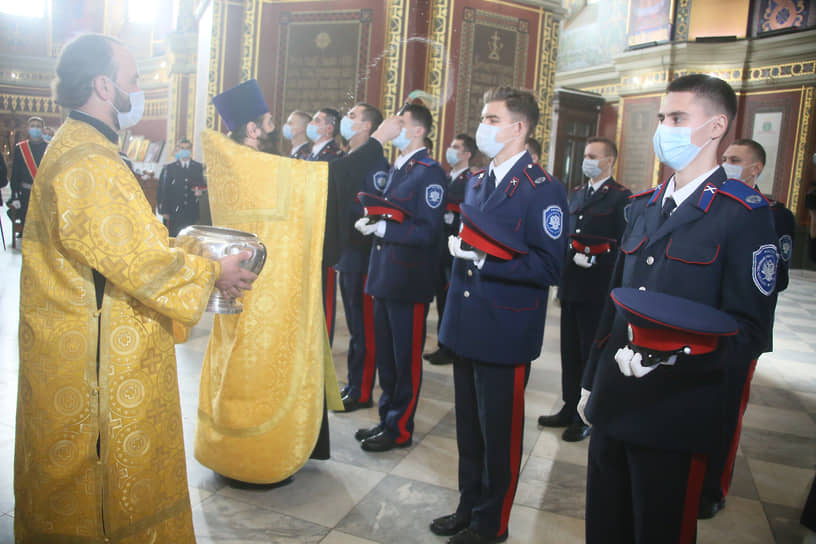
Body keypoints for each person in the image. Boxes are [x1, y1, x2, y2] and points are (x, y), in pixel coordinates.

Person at [14, 33, 256, 543]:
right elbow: (137, 262)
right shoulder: (89, 163)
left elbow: (133, 240)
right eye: (132, 80)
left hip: (81, 342)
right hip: (94, 363)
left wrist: (197, 255)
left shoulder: (88, 149)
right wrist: (214, 273)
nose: (138, 90)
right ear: (104, 86)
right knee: (99, 481)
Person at [580, 75, 778, 544]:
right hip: (614, 397)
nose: (664, 127)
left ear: (716, 126)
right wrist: (590, 381)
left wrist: (672, 355)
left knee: (659, 529)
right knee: (605, 526)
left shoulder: (743, 214)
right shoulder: (642, 205)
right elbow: (614, 308)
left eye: (678, 118)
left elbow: (750, 331)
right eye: (663, 118)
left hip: (677, 408)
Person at [430, 86, 568, 544]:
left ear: (518, 128)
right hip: (467, 323)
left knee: (499, 436)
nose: (482, 127)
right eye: (483, 117)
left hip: (505, 329)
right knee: (469, 430)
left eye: (491, 119)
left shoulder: (541, 190)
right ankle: (468, 506)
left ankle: (492, 523)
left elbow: (550, 266)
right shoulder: (477, 179)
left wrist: (487, 262)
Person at [695, 138, 795, 518]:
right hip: (704, 323)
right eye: (723, 159)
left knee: (726, 411)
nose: (727, 165)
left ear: (755, 168)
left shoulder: (773, 214)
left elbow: (774, 276)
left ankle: (714, 488)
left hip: (740, 327)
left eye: (735, 160)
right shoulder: (713, 205)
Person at [352, 103, 447, 452]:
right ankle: (385, 419)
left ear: (418, 130)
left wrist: (383, 229)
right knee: (388, 359)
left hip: (408, 280)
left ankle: (400, 427)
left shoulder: (429, 172)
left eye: (401, 123)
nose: (394, 126)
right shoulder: (399, 167)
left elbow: (427, 230)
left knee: (405, 359)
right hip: (385, 276)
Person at [538, 137, 630, 442]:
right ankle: (568, 405)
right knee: (570, 352)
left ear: (609, 161)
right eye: (586, 155)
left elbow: (624, 245)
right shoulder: (575, 193)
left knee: (591, 352)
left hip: (598, 287)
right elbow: (565, 231)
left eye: (593, 156)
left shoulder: (620, 198)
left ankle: (586, 414)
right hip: (572, 284)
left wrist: (596, 257)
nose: (586, 160)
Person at [334, 103, 388, 411]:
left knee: (364, 329)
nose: (347, 119)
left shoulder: (374, 163)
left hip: (363, 255)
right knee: (355, 327)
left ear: (367, 127)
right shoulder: (349, 158)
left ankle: (363, 389)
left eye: (353, 116)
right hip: (347, 253)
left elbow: (372, 207)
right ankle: (354, 383)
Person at [425, 133, 475, 366]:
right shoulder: (444, 177)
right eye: (450, 145)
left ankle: (450, 347)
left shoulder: (470, 180)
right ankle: (442, 343)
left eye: (456, 147)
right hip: (437, 246)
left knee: (450, 299)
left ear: (467, 154)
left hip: (454, 248)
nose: (450, 150)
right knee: (440, 298)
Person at [307, 107, 345, 347]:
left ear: (329, 128)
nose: (312, 123)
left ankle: (322, 351)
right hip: (306, 234)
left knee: (324, 300)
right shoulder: (311, 155)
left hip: (323, 236)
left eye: (317, 120)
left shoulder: (335, 158)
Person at [156, 138, 206, 236]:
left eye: (187, 148)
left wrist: (202, 193)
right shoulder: (169, 168)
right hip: (174, 211)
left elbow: (205, 187)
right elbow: (162, 190)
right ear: (178, 150)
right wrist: (163, 210)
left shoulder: (199, 167)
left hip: (193, 211)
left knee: (191, 239)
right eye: (182, 148)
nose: (185, 151)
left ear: (191, 150)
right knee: (175, 238)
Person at [9, 116, 48, 232]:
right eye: (33, 126)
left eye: (38, 126)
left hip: (44, 194)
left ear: (43, 129)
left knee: (44, 228)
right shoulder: (21, 148)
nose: (35, 129)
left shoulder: (49, 147)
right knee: (28, 227)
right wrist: (15, 195)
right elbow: (15, 173)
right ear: (27, 128)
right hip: (26, 194)